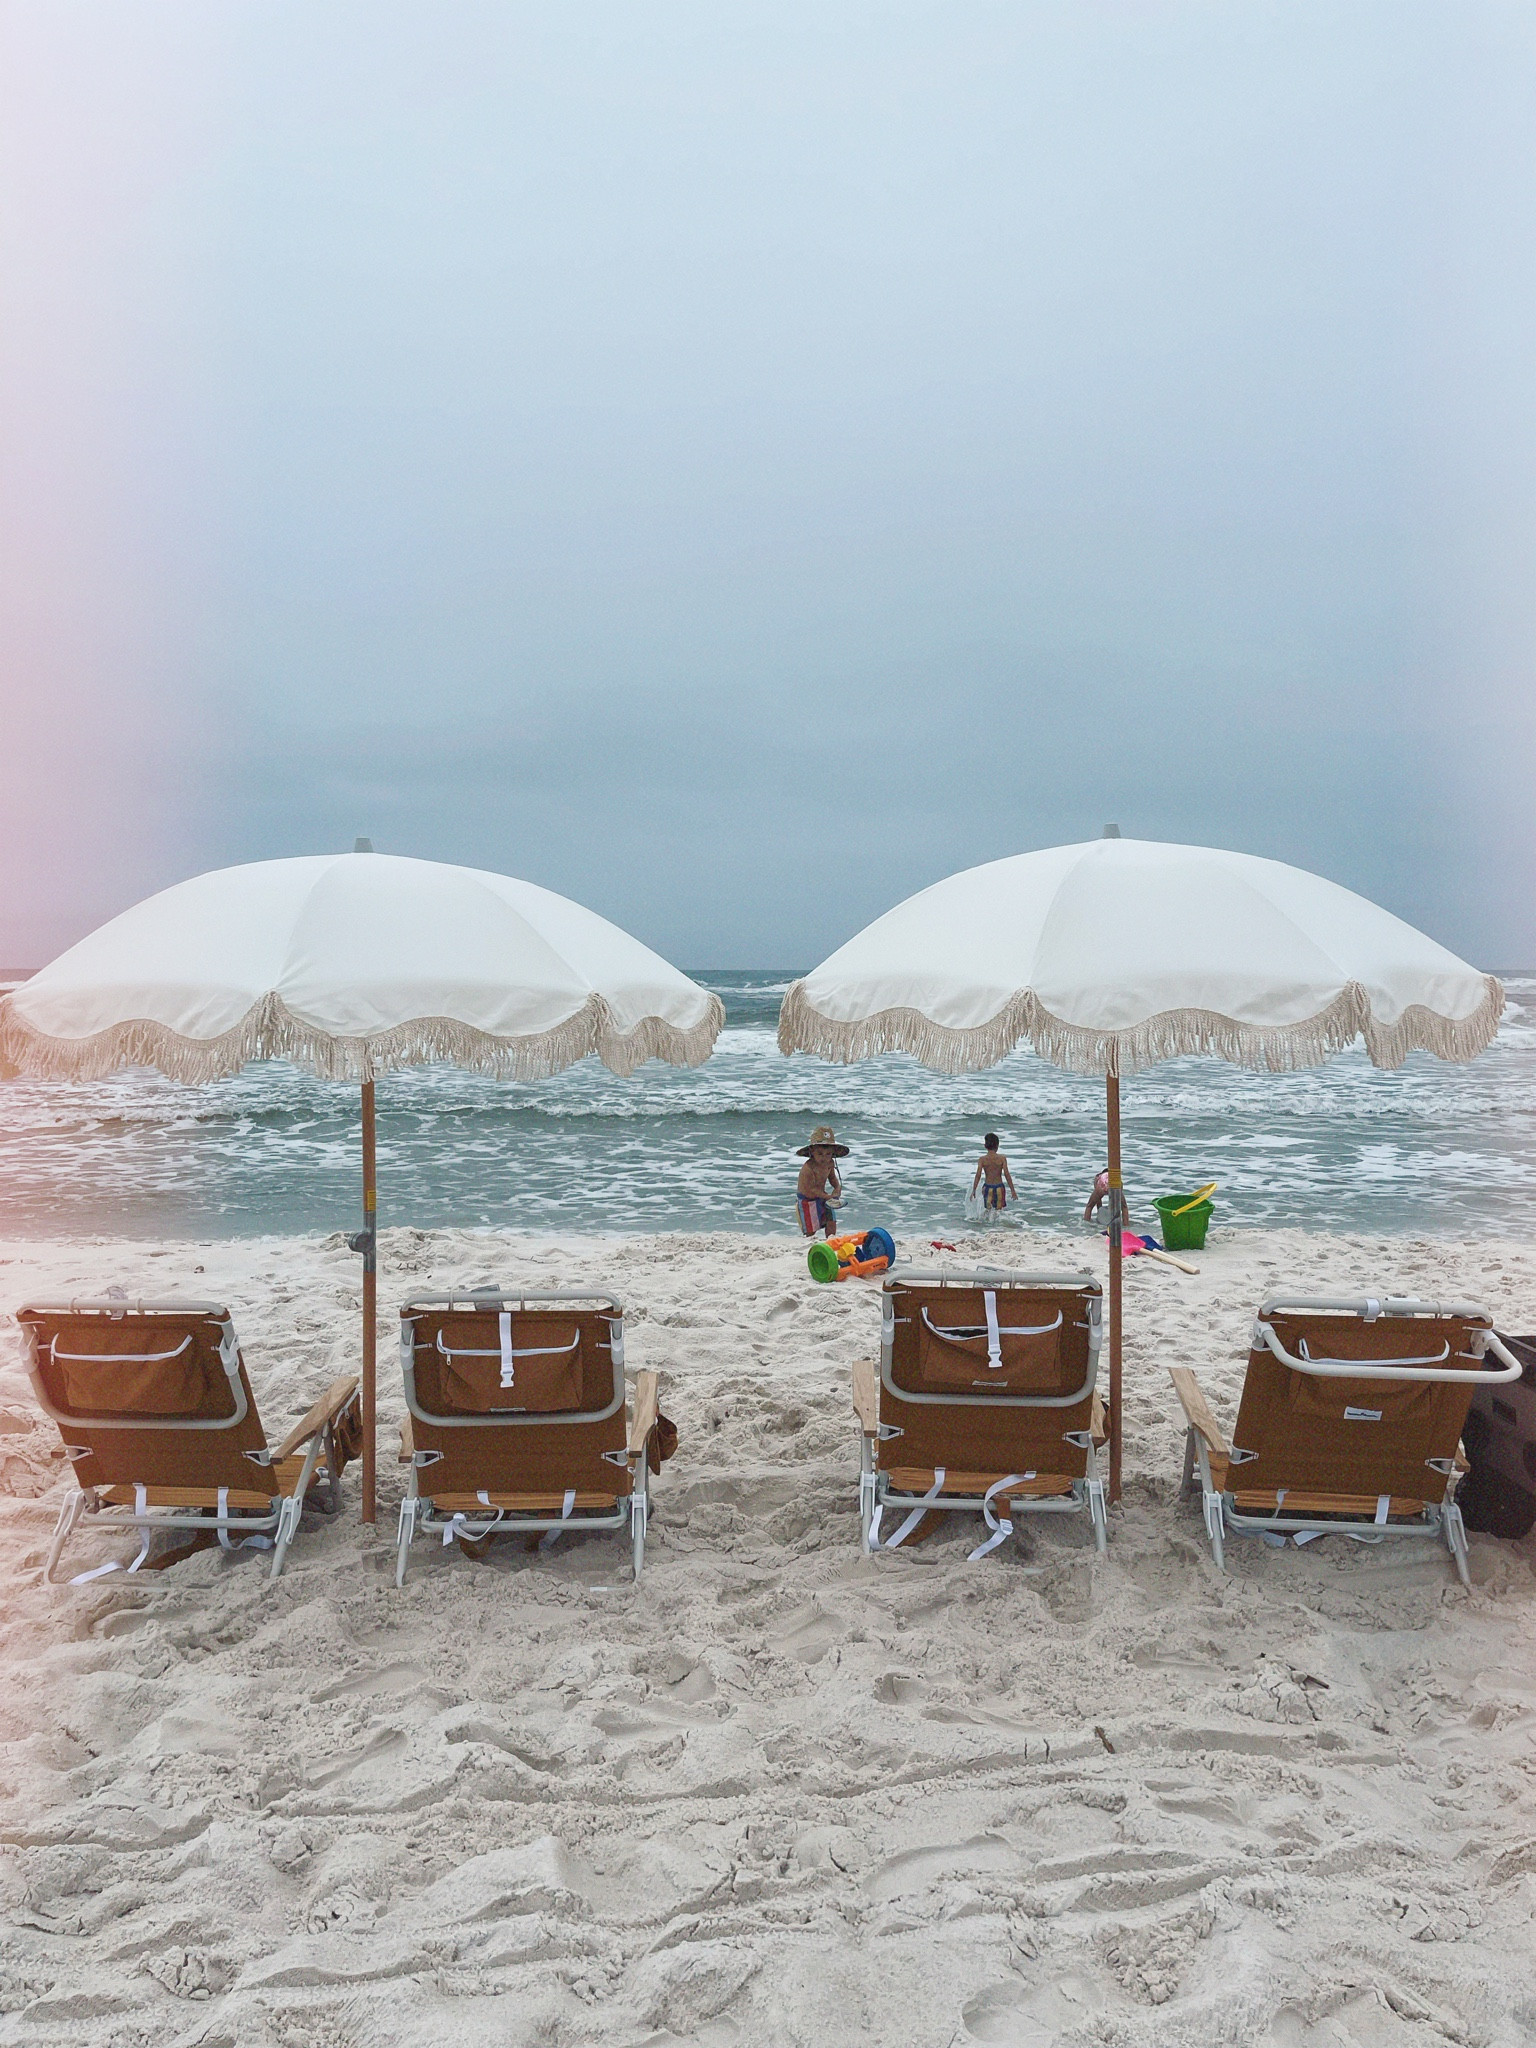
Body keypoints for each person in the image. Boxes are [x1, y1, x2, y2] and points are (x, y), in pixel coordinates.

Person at [796, 1125, 847, 1238]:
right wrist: (828, 1196)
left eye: (828, 1154)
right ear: (812, 1151)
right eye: (820, 1154)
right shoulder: (809, 1168)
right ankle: (809, 1240)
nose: (824, 1158)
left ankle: (831, 1239)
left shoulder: (830, 1163)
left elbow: (833, 1179)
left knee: (831, 1221)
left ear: (833, 1153)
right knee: (811, 1229)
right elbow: (810, 1189)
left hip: (822, 1196)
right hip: (807, 1199)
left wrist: (837, 1188)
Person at [971, 1132, 1018, 1216]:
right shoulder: (1002, 1158)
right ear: (997, 1146)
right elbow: (1007, 1175)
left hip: (987, 1188)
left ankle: (984, 1223)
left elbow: (978, 1175)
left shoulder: (982, 1159)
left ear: (985, 1146)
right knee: (999, 1212)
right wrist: (1013, 1190)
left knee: (988, 1211)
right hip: (999, 1187)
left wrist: (974, 1190)